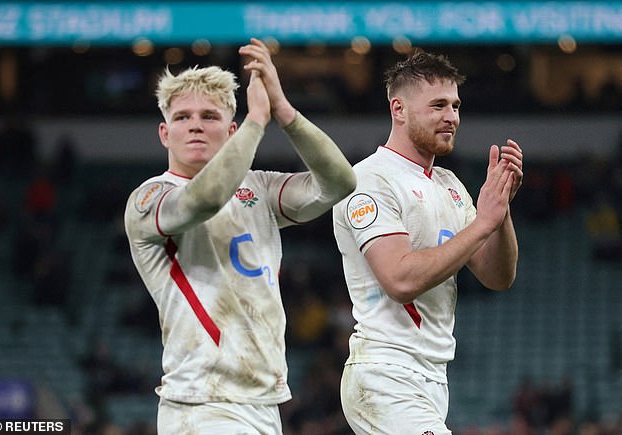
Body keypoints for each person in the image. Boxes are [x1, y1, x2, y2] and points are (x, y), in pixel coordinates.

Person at [124, 38, 356, 434]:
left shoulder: (259, 189)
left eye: (209, 116)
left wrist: (284, 112)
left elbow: (339, 183)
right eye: (182, 117)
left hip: (263, 401)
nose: (195, 124)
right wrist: (256, 122)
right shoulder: (150, 198)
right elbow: (206, 198)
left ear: (231, 130)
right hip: (202, 402)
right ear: (164, 133)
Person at [332, 51, 523, 434]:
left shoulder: (449, 185)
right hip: (385, 373)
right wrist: (482, 223)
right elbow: (400, 280)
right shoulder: (370, 180)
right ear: (398, 109)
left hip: (432, 375)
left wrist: (500, 213)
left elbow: (498, 277)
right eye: (438, 105)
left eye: (455, 106)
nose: (451, 117)